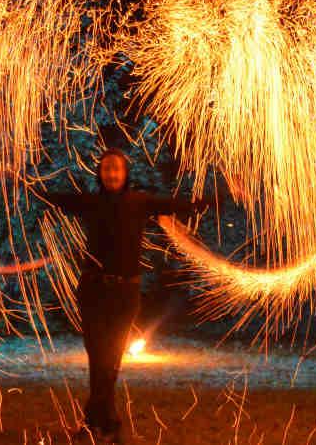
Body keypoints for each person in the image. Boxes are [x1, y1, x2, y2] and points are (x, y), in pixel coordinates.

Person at [38, 147, 207, 444]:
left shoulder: (140, 202)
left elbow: (186, 206)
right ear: (100, 174)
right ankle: (106, 425)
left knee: (111, 360)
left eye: (116, 169)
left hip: (125, 293)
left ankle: (99, 424)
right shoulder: (90, 203)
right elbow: (48, 197)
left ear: (125, 173)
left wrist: (223, 195)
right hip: (92, 291)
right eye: (107, 169)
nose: (112, 174)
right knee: (98, 359)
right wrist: (13, 179)